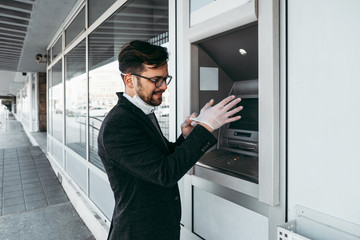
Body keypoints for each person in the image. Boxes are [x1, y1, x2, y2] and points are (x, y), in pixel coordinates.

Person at [97, 40, 243, 240]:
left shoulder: (139, 113)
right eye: (156, 79)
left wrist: (185, 138)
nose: (164, 86)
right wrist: (206, 128)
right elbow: (165, 173)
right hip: (140, 234)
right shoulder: (118, 125)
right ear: (130, 80)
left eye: (166, 79)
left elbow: (159, 160)